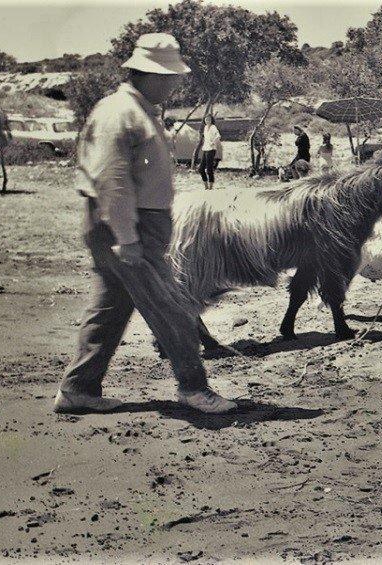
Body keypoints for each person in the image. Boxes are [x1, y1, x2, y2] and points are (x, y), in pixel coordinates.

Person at [54, 33, 236, 415]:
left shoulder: (139, 112)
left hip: (127, 225)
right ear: (149, 74)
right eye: (171, 76)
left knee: (110, 307)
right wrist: (127, 237)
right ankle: (193, 387)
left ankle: (79, 389)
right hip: (126, 225)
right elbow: (111, 181)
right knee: (171, 308)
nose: (175, 82)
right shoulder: (121, 113)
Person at [198, 114, 221, 190]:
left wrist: (213, 142)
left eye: (209, 119)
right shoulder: (205, 127)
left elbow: (218, 136)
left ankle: (211, 187)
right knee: (201, 169)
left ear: (211, 120)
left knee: (209, 169)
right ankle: (206, 186)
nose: (207, 121)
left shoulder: (213, 127)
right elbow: (205, 137)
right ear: (204, 120)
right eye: (206, 119)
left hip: (211, 149)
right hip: (205, 149)